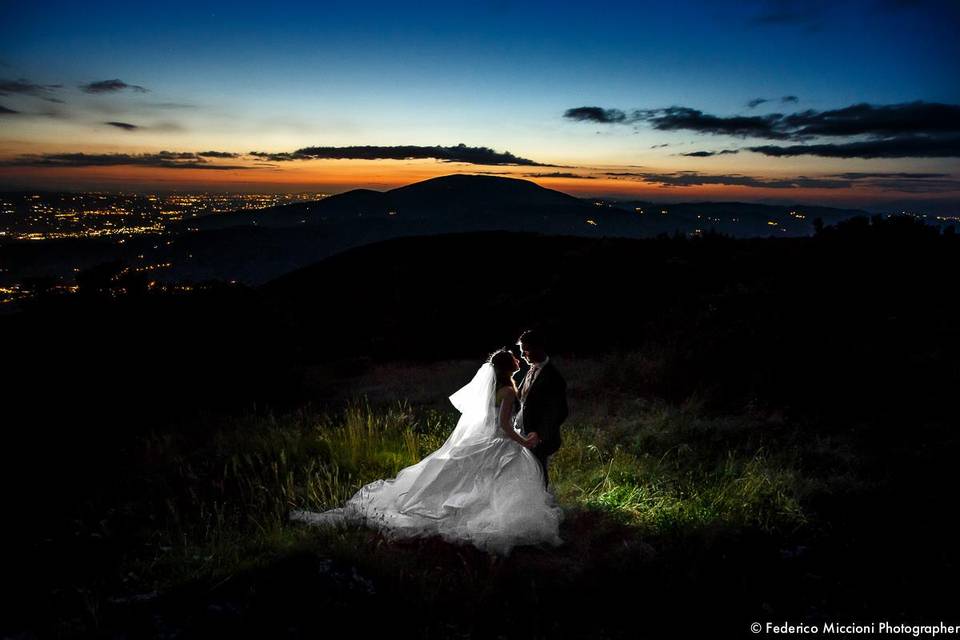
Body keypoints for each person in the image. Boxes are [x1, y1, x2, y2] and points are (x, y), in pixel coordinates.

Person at [289, 348, 564, 555]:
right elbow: (504, 426)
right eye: (515, 358)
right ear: (508, 367)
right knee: (501, 476)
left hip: (483, 440)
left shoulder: (496, 390)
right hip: (498, 442)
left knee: (468, 478)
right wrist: (522, 441)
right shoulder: (507, 391)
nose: (519, 359)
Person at [514, 329, 568, 489]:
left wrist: (539, 433)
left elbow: (559, 411)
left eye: (526, 351)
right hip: (521, 432)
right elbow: (523, 401)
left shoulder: (554, 377)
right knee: (525, 472)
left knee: (538, 472)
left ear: (539, 347)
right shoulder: (530, 370)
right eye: (522, 351)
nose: (523, 355)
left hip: (539, 437)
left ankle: (541, 506)